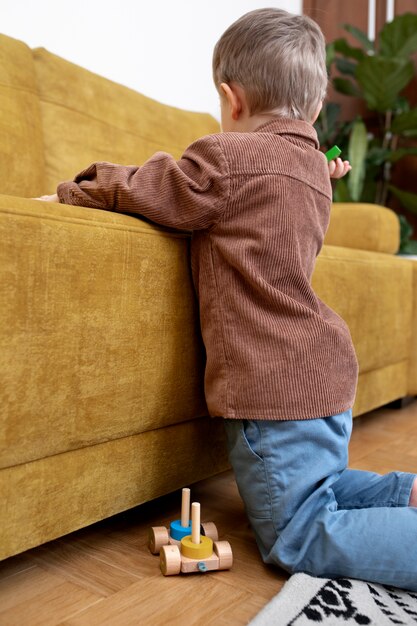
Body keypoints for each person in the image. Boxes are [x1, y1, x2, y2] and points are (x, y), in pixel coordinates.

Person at [36, 8, 417, 590]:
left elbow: (155, 185)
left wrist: (72, 190)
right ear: (315, 110)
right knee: (327, 486)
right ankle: (406, 493)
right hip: (327, 374)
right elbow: (286, 180)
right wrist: (329, 168)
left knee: (299, 531)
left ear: (230, 99)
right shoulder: (313, 169)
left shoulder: (226, 158)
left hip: (274, 387)